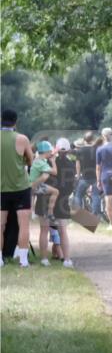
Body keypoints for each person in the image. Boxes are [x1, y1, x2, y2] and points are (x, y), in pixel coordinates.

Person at [0, 109, 34, 267]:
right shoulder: (22, 138)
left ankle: (0, 259)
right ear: (15, 121)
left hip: (1, 188)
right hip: (21, 187)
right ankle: (23, 260)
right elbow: (30, 161)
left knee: (1, 225)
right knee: (24, 224)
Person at [50, 138, 75, 267]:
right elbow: (71, 185)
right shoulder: (72, 164)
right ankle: (66, 258)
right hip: (64, 199)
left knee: (52, 229)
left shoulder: (52, 162)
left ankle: (58, 253)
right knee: (62, 230)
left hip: (51, 199)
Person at [29, 140, 60, 224]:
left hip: (33, 184)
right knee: (56, 191)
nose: (51, 153)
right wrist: (53, 161)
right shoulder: (41, 163)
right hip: (35, 185)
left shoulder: (38, 160)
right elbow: (55, 172)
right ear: (46, 151)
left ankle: (33, 214)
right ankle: (50, 213)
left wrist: (53, 153)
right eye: (50, 151)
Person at [72, 131, 101, 216]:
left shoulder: (80, 150)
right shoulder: (97, 149)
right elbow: (99, 164)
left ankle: (80, 214)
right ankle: (94, 214)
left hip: (84, 177)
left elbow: (78, 164)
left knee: (78, 195)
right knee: (95, 195)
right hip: (95, 176)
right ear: (93, 140)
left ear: (84, 140)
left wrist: (78, 175)